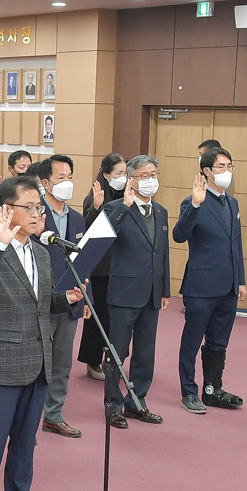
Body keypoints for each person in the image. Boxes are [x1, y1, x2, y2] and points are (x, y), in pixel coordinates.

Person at [0, 177, 87, 491]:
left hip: (38, 362)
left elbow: (40, 303)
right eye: (29, 207)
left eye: (39, 208)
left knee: (24, 444)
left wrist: (64, 299)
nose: (37, 214)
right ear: (6, 210)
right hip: (2, 363)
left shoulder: (41, 252)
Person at [95, 155, 170, 428]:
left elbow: (163, 253)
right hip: (124, 291)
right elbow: (102, 239)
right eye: (144, 175)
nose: (151, 180)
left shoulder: (161, 211)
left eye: (154, 174)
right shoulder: (116, 207)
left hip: (152, 293)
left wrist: (165, 290)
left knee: (145, 353)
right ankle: (113, 405)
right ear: (131, 179)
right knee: (117, 352)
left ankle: (137, 402)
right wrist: (124, 207)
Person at [174, 145, 246, 414]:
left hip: (228, 286)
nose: (227, 171)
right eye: (221, 167)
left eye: (229, 166)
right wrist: (195, 205)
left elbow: (236, 244)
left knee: (218, 341)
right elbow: (179, 235)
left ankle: (212, 389)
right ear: (206, 171)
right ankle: (189, 391)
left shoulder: (232, 203)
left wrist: (240, 280)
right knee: (192, 342)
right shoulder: (193, 201)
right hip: (201, 286)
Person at [34, 155, 88, 438]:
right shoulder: (34, 214)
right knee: (36, 362)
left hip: (71, 300)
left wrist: (86, 297)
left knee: (63, 363)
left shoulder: (77, 218)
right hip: (40, 301)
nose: (67, 182)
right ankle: (29, 415)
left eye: (70, 177)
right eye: (60, 178)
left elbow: (84, 261)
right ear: (46, 183)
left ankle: (53, 415)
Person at [79, 154, 129, 381]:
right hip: (102, 268)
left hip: (122, 265)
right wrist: (97, 208)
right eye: (119, 173)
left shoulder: (127, 194)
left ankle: (112, 359)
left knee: (118, 318)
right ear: (107, 175)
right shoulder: (96, 195)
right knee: (99, 316)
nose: (123, 177)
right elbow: (88, 230)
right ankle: (92, 360)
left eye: (125, 173)